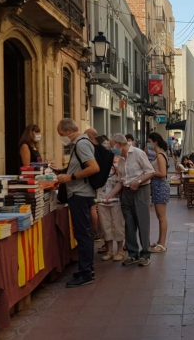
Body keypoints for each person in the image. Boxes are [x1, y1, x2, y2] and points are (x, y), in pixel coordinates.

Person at [56, 118, 100, 287]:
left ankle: (86, 273)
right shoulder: (81, 144)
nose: (62, 138)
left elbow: (93, 167)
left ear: (68, 131)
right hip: (79, 193)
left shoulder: (81, 144)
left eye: (61, 135)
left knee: (83, 234)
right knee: (83, 233)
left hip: (80, 194)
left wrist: (70, 177)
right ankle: (86, 269)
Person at [110, 133, 155, 266]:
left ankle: (145, 254)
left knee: (142, 222)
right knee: (129, 224)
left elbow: (150, 171)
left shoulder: (138, 153)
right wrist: (110, 195)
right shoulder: (121, 159)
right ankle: (133, 253)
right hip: (126, 192)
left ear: (119, 144)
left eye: (113, 146)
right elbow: (120, 180)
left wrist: (139, 181)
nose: (112, 149)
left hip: (141, 190)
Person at [97, 137, 126, 262]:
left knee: (117, 224)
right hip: (101, 198)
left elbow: (121, 181)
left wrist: (112, 194)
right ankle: (109, 250)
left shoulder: (120, 162)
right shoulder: (98, 163)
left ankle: (120, 250)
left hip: (116, 199)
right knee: (105, 225)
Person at [147, 133, 170, 253]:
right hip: (157, 187)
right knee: (159, 216)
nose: (148, 144)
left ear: (155, 142)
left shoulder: (160, 155)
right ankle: (160, 241)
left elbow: (163, 173)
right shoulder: (158, 155)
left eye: (149, 141)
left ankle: (162, 244)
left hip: (160, 186)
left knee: (162, 217)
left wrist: (152, 172)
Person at [84, 128, 103, 242]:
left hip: (93, 182)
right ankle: (99, 232)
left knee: (93, 208)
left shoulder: (90, 148)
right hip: (98, 182)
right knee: (96, 208)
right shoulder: (97, 149)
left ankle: (95, 232)